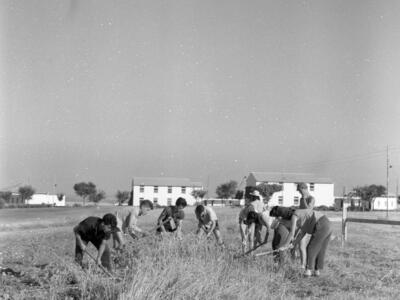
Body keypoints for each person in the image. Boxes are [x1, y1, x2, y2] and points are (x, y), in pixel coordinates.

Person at [278, 208, 332, 277]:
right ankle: (316, 271)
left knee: (311, 248)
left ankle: (308, 271)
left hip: (321, 224)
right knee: (320, 249)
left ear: (286, 219)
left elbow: (292, 232)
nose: (288, 225)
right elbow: (302, 234)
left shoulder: (294, 216)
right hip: (327, 223)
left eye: (285, 223)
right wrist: (293, 244)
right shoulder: (302, 217)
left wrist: (285, 246)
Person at [297, 182, 315, 269]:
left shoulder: (311, 198)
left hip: (307, 225)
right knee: (296, 245)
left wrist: (303, 199)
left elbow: (308, 209)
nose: (299, 193)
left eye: (300, 191)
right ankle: (298, 262)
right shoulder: (301, 199)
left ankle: (303, 265)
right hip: (300, 223)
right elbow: (300, 210)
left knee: (302, 246)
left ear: (303, 189)